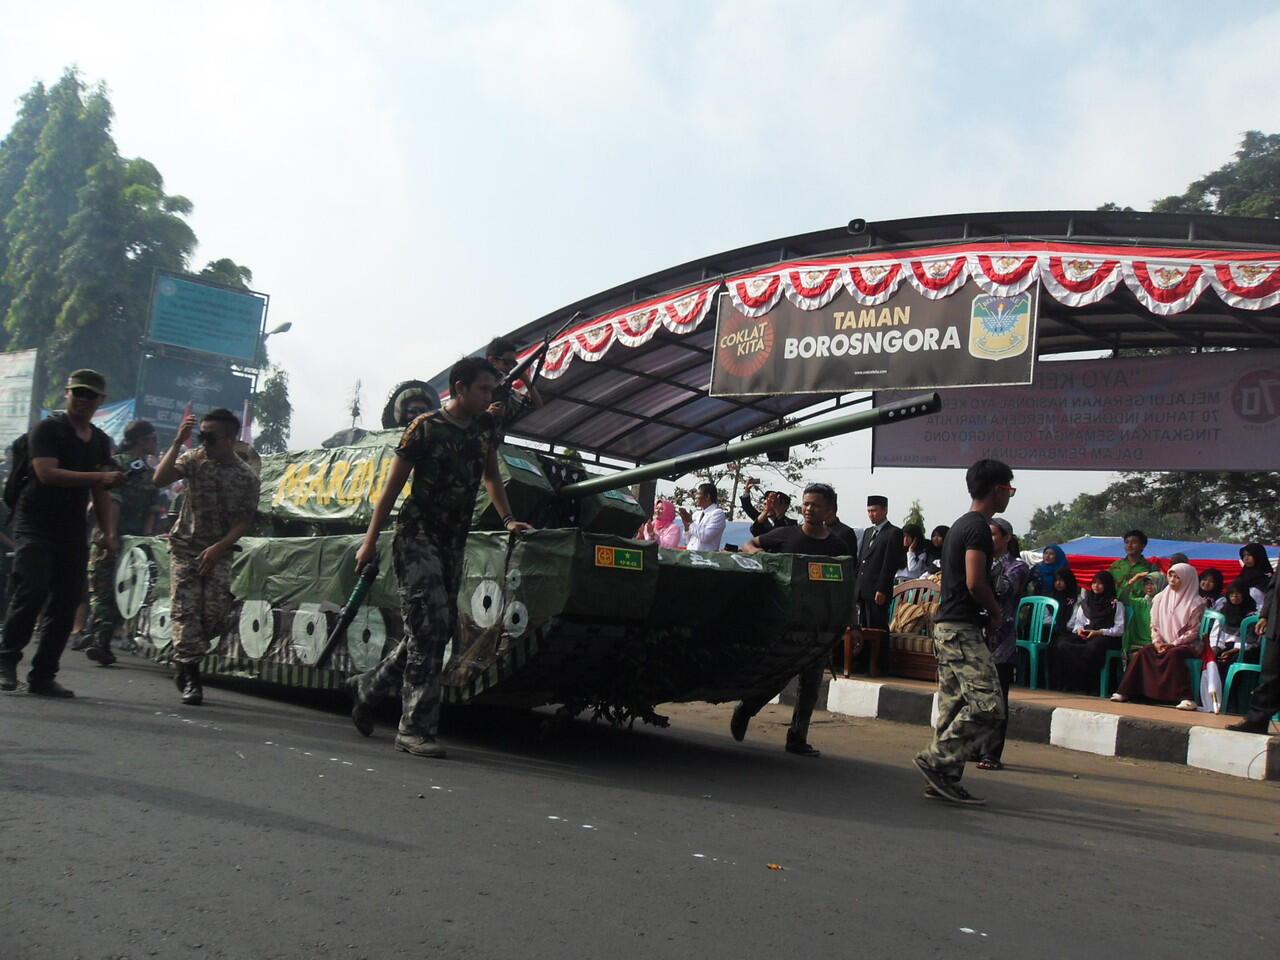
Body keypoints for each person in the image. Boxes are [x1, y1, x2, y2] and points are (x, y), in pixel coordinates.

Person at [348, 357, 533, 758]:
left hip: (453, 542)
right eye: (483, 389)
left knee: (437, 629)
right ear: (460, 388)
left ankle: (371, 685)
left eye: (492, 389)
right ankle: (413, 728)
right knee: (430, 627)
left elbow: (490, 476)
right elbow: (391, 490)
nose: (490, 397)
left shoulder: (484, 428)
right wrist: (369, 541)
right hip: (417, 538)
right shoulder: (426, 428)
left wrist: (508, 519)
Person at [0, 370, 122, 696]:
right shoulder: (49, 430)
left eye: (90, 395)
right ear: (67, 394)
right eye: (77, 393)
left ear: (100, 401)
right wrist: (97, 479)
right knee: (32, 591)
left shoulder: (98, 440)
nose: (83, 399)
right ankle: (7, 660)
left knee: (66, 603)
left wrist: (109, 532)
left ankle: (43, 675)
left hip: (71, 529)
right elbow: (46, 473)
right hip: (35, 523)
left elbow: (102, 493)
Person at [913, 458, 1015, 806]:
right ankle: (936, 760)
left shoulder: (962, 525)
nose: (1010, 497)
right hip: (960, 628)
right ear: (998, 489)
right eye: (1010, 490)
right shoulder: (978, 529)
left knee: (953, 706)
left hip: (950, 625)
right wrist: (996, 611)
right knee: (989, 705)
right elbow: (975, 581)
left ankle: (942, 778)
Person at [730, 483, 848, 757]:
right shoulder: (785, 535)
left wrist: (845, 622)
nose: (809, 509)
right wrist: (758, 556)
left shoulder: (837, 545)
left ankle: (797, 737)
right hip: (785, 622)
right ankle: (747, 708)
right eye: (806, 503)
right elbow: (749, 543)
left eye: (815, 505)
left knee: (811, 684)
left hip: (819, 625)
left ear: (829, 510)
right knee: (777, 676)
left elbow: (845, 585)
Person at [152, 409, 261, 705]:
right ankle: (191, 675)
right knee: (186, 612)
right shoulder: (194, 459)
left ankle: (184, 658)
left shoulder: (246, 477)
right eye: (202, 436)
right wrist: (178, 442)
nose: (205, 442)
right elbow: (159, 479)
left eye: (210, 437)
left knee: (213, 617)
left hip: (219, 551)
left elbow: (243, 520)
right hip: (186, 548)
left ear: (229, 439)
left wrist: (218, 548)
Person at [84, 419, 162, 666]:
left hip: (112, 537)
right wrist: (139, 540)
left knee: (104, 589)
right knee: (127, 590)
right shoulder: (143, 472)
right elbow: (137, 508)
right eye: (152, 438)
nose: (155, 443)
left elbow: (116, 502)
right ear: (140, 440)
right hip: (130, 541)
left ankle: (101, 640)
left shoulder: (116, 465)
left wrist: (110, 535)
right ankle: (106, 639)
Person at [1111, 562, 1205, 710]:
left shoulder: (1196, 603)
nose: (1172, 580)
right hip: (1163, 642)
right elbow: (1154, 625)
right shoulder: (1160, 598)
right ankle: (1126, 692)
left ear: (1187, 579)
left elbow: (1193, 632)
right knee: (1144, 652)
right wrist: (1157, 641)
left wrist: (1173, 643)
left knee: (1174, 654)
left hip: (1187, 643)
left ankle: (1186, 698)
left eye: (1177, 577)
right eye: (1170, 576)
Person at [977, 517, 1029, 770]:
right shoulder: (982, 561)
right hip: (978, 636)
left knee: (998, 699)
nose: (989, 540)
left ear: (1007, 538)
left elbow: (1002, 589)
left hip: (1002, 640)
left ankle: (992, 753)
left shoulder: (1017, 567)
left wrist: (980, 571)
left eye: (994, 535)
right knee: (976, 695)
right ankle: (975, 747)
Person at [1049, 570, 1126, 693]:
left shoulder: (1116, 605)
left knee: (1093, 647)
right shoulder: (1086, 603)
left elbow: (1119, 629)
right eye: (1094, 583)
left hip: (1106, 637)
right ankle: (1069, 684)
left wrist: (1099, 632)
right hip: (1087, 634)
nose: (1096, 586)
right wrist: (1079, 630)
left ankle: (1089, 686)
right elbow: (1079, 623)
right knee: (1063, 644)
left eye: (1100, 583)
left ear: (1108, 585)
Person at [1226, 578, 1279, 734]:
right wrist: (1265, 615)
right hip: (1276, 625)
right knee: (1270, 674)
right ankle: (1257, 720)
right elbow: (1273, 587)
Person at [855, 495, 905, 632]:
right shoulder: (868, 532)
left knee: (877, 628)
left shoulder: (893, 533)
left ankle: (880, 653)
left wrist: (882, 589)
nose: (871, 514)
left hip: (877, 590)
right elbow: (862, 560)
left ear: (885, 510)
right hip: (863, 589)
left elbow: (889, 563)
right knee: (863, 628)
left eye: (874, 510)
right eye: (869, 511)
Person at [485, 336, 544, 429]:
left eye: (513, 364)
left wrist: (527, 381)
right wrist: (487, 413)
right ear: (492, 361)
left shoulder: (506, 388)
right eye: (507, 362)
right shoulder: (478, 386)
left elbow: (538, 406)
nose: (510, 367)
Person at [1211, 579, 1257, 672]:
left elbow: (1250, 641)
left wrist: (1231, 651)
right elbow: (1216, 635)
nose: (1234, 596)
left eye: (1238, 593)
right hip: (1224, 646)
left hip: (1243, 649)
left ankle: (1227, 686)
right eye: (1231, 593)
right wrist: (1216, 648)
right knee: (1211, 659)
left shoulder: (1251, 615)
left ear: (1244, 594)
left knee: (1232, 661)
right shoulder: (1224, 612)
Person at [1109, 530, 1159, 607]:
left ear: (1143, 545)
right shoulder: (1116, 566)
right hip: (1117, 607)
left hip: (1140, 608)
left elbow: (1156, 589)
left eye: (1134, 542)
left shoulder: (1150, 567)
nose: (1129, 545)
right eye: (1127, 542)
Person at [1124, 571, 1166, 654]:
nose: (1149, 587)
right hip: (1138, 645)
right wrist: (1133, 580)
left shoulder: (1166, 606)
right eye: (1146, 584)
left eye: (1152, 584)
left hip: (1160, 645)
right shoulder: (1139, 603)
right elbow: (1122, 597)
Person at [679, 483, 725, 551]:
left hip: (705, 559)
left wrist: (690, 522)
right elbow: (687, 541)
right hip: (690, 555)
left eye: (698, 494)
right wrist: (686, 526)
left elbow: (705, 536)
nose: (695, 496)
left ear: (707, 496)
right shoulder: (696, 514)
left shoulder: (718, 514)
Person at [1235, 543, 1273, 609]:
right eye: (1244, 556)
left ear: (1258, 555)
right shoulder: (1243, 576)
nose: (1246, 558)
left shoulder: (1268, 577)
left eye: (1249, 555)